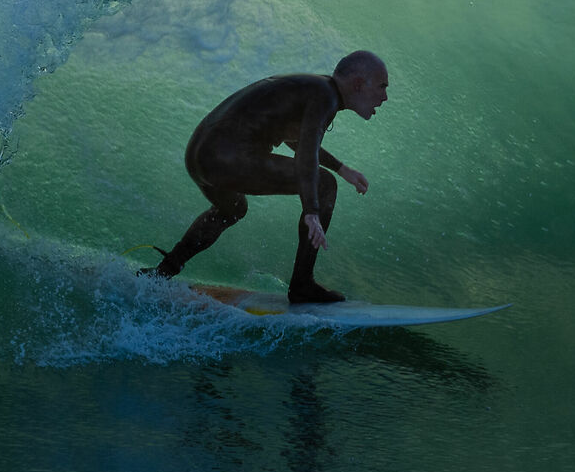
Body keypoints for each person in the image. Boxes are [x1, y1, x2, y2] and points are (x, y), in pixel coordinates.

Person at [141, 51, 389, 305]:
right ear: (358, 83)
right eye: (382, 87)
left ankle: (163, 272)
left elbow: (295, 138)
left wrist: (341, 168)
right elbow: (306, 153)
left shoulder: (314, 87)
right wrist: (312, 210)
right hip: (228, 156)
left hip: (201, 155)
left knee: (233, 208)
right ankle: (302, 285)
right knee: (324, 184)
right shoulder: (325, 96)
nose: (384, 97)